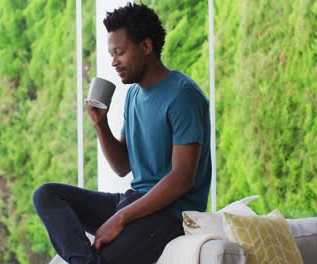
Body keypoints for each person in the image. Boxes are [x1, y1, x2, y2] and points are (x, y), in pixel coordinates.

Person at [33, 3, 211, 264]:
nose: (113, 62)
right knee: (47, 195)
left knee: (105, 256)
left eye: (119, 52)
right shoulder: (134, 95)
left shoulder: (183, 96)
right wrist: (100, 125)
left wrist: (120, 218)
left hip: (173, 214)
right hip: (135, 201)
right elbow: (122, 165)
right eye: (111, 53)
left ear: (146, 47)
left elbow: (182, 179)